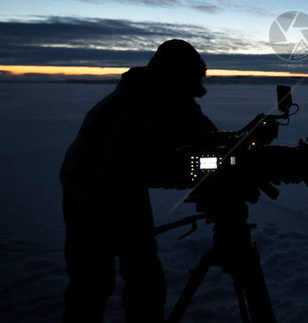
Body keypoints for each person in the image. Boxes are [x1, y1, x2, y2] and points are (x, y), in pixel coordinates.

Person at [60, 39, 218, 323]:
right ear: (172, 76)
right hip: (88, 195)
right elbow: (140, 167)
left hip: (126, 191)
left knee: (145, 280)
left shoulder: (175, 99)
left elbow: (205, 136)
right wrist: (191, 175)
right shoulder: (125, 108)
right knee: (93, 285)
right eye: (187, 80)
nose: (190, 89)